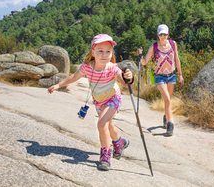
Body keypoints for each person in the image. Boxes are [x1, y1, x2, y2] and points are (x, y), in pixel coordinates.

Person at [48, 34, 134, 171]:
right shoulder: (87, 67)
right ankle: (120, 142)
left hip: (113, 98)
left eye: (108, 51)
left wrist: (129, 77)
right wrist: (59, 85)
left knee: (102, 123)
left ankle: (105, 154)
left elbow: (124, 84)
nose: (104, 55)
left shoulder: (112, 68)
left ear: (111, 53)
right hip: (99, 101)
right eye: (100, 51)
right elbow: (74, 76)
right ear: (93, 52)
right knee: (108, 125)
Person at [136, 24, 184, 136]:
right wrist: (140, 56)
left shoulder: (173, 44)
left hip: (172, 75)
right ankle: (170, 125)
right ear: (158, 35)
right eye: (161, 34)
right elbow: (144, 62)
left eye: (165, 34)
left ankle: (166, 116)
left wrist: (180, 74)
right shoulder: (154, 47)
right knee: (167, 99)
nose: (163, 36)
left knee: (169, 100)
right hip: (160, 76)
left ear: (168, 34)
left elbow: (177, 59)